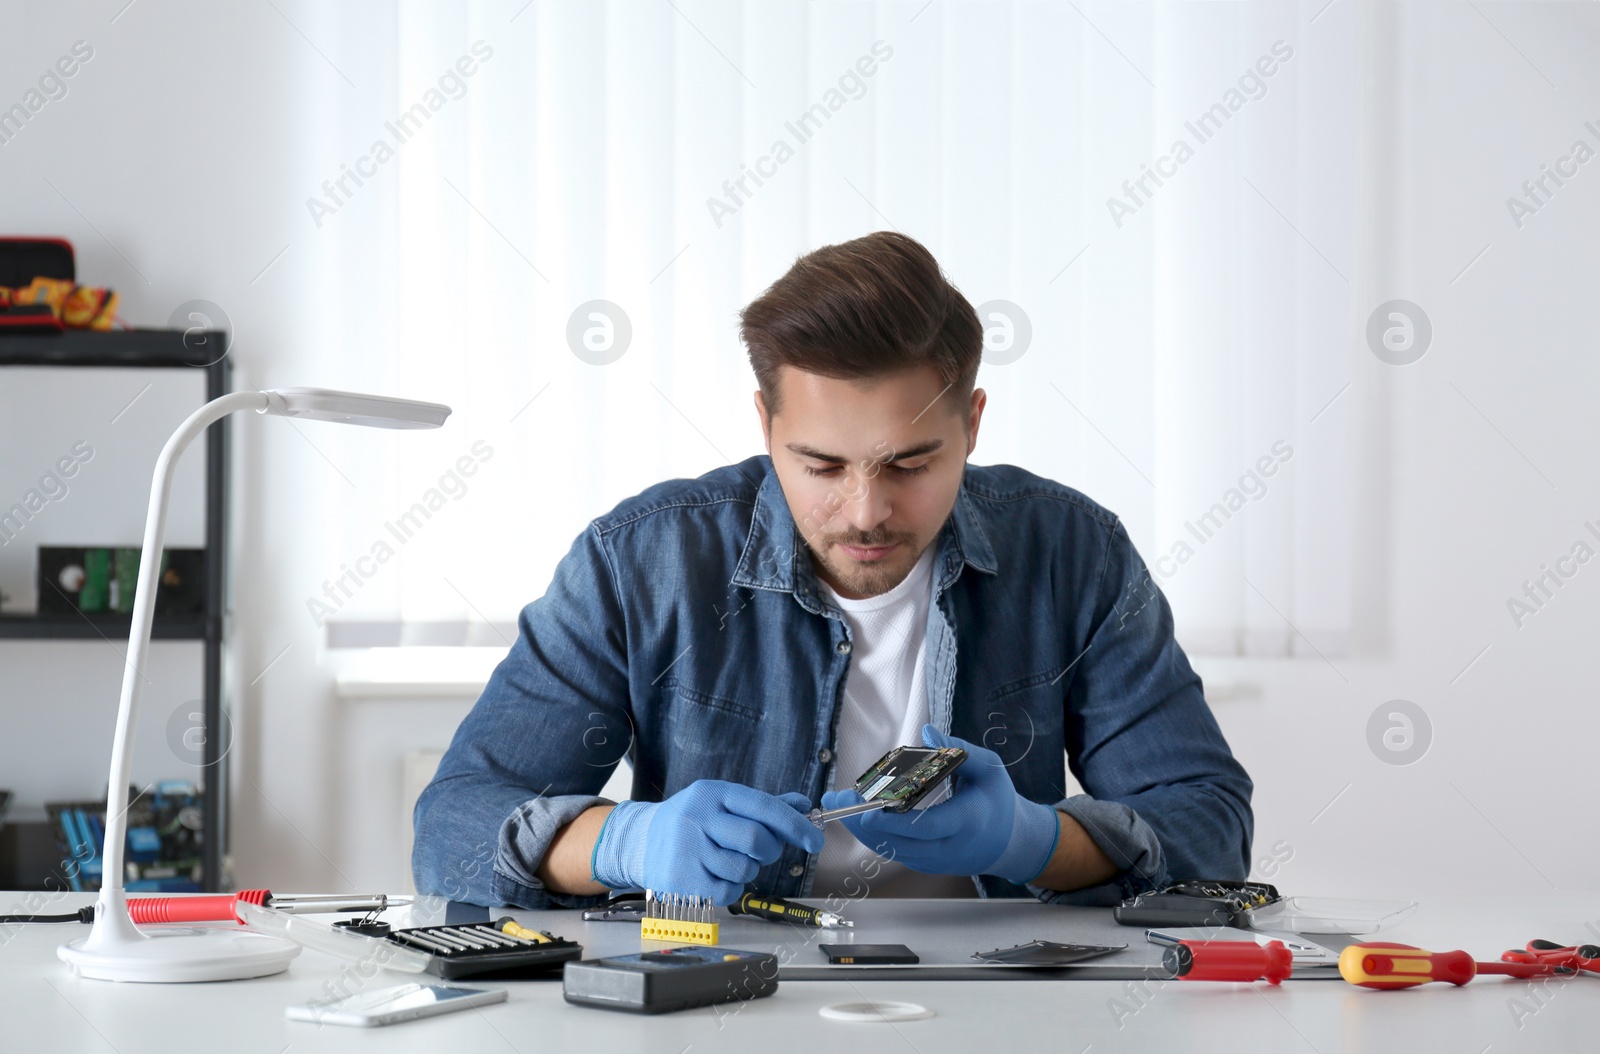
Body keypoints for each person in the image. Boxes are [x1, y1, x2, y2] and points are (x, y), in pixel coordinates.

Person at [413, 231, 1253, 910]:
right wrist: (623, 843)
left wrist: (1031, 841)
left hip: (1000, 1009)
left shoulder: (1076, 553)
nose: (864, 510)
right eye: (820, 465)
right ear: (764, 424)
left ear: (973, 423)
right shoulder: (640, 561)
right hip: (720, 1002)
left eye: (910, 463)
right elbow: (450, 827)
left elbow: (1209, 823)